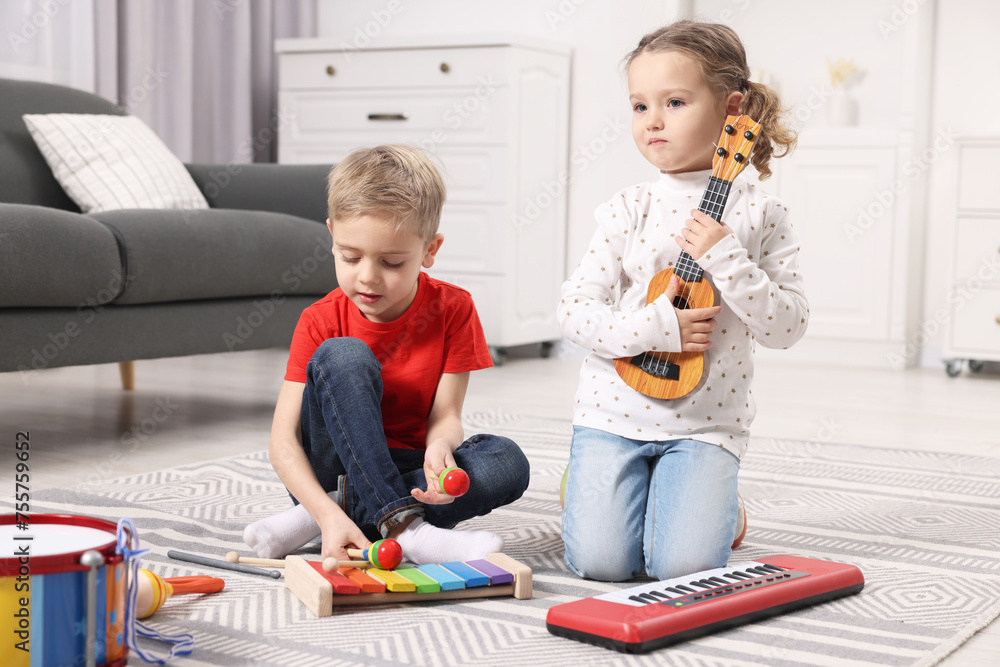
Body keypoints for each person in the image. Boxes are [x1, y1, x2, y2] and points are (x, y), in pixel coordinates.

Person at [558, 20, 806, 582]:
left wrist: (728, 260)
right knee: (600, 564)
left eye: (673, 101)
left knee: (684, 568)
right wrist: (653, 329)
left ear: (730, 108)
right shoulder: (628, 207)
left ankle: (722, 503)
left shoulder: (763, 215)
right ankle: (593, 486)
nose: (653, 122)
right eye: (639, 106)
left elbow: (786, 327)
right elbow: (573, 311)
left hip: (704, 425)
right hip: (612, 416)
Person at [244, 144, 529, 565]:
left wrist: (440, 449)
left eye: (392, 262)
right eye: (350, 256)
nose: (367, 278)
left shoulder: (454, 309)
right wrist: (330, 512)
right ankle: (403, 528)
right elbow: (283, 443)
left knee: (506, 462)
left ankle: (319, 515)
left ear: (430, 250)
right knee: (343, 355)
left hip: (407, 468)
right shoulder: (319, 319)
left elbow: (446, 415)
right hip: (333, 464)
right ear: (332, 237)